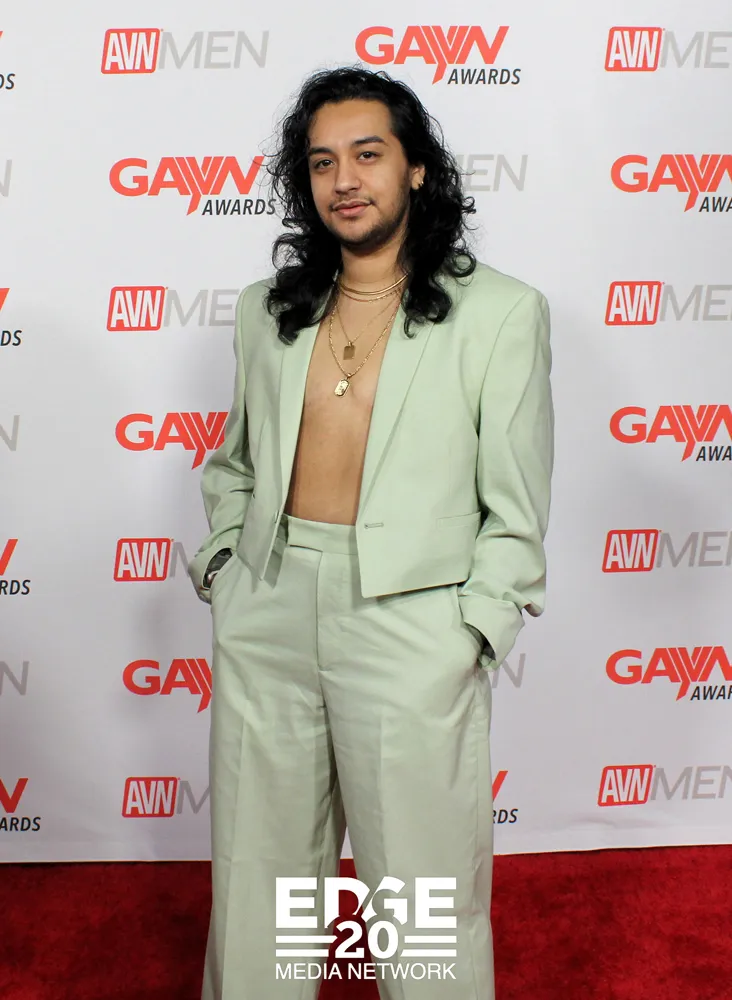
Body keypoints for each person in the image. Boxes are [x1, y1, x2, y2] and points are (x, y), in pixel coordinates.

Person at [188, 66, 553, 1000]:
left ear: (417, 168)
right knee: (259, 881)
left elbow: (516, 508)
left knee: (422, 890)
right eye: (321, 163)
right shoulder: (266, 311)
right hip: (269, 607)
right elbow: (234, 461)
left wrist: (470, 632)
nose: (344, 180)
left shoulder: (499, 312)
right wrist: (228, 564)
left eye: (367, 155)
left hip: (412, 621)